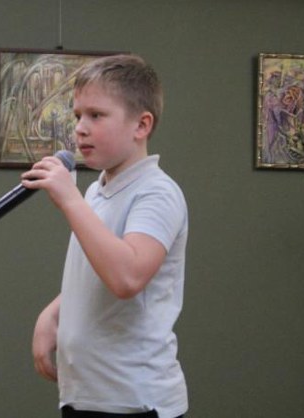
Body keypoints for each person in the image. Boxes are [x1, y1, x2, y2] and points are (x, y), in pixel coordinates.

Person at [23, 54, 188, 418]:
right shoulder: (98, 191)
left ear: (141, 125)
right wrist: (53, 314)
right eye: (78, 115)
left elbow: (127, 277)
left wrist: (69, 199)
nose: (80, 128)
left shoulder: (156, 192)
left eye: (96, 115)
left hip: (134, 401)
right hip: (86, 396)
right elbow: (100, 268)